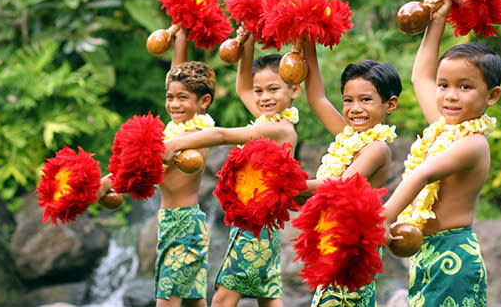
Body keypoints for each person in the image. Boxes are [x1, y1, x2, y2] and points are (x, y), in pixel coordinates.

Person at [380, 0, 501, 307]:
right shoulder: (444, 128)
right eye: (444, 85)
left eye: (465, 87)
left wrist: (381, 219)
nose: (450, 95)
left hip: (453, 257)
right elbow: (421, 75)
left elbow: (422, 173)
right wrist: (438, 18)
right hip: (424, 252)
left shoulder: (473, 144)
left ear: (491, 96)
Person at [162, 31, 301, 307]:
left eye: (273, 89)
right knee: (268, 297)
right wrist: (246, 41)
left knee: (223, 299)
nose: (263, 98)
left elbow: (222, 135)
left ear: (294, 90)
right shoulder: (268, 117)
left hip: (258, 228)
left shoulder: (280, 128)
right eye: (260, 91)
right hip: (258, 226)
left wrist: (175, 143)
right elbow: (243, 89)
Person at [98, 29, 217, 307]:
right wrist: (182, 33)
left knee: (168, 302)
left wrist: (101, 185)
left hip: (184, 225)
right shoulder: (179, 127)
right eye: (169, 97)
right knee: (192, 302)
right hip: (175, 222)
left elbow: (140, 168)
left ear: (204, 102)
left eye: (182, 98)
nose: (174, 104)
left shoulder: (191, 136)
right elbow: (177, 74)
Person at [299, 37, 402, 307]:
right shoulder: (347, 138)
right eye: (348, 100)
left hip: (354, 246)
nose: (355, 109)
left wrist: (287, 185)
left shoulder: (377, 148)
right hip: (333, 239)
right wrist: (306, 40)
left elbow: (339, 184)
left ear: (389, 105)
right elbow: (316, 97)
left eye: (366, 100)